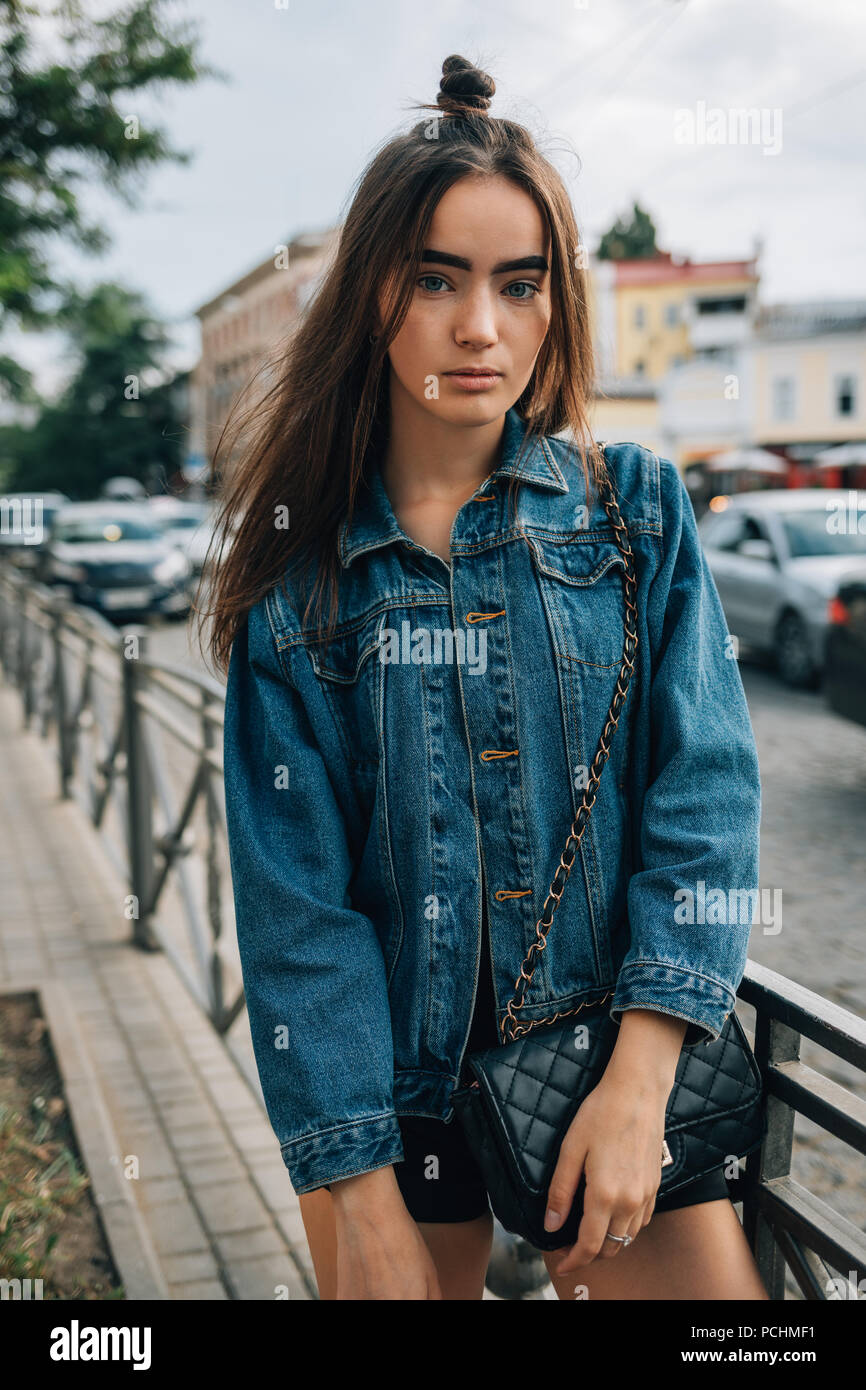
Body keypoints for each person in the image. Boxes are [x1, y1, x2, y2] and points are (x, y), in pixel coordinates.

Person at [206, 54, 768, 1301]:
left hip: (607, 1067)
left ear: (553, 304)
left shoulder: (633, 518)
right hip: (387, 1114)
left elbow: (705, 801)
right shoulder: (301, 588)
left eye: (519, 285)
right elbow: (298, 913)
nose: (481, 328)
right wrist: (359, 1189)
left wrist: (639, 1081)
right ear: (371, 301)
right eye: (436, 281)